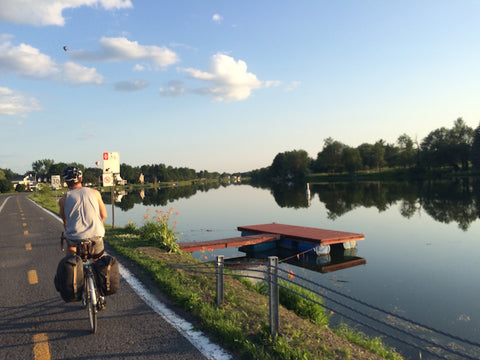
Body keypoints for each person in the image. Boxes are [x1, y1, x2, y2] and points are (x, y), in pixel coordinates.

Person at [59, 166, 107, 259]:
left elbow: (65, 222)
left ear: (66, 182)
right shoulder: (95, 193)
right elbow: (104, 215)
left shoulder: (63, 199)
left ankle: (72, 269)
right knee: (100, 261)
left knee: (70, 258)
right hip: (96, 236)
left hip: (75, 238)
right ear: (80, 178)